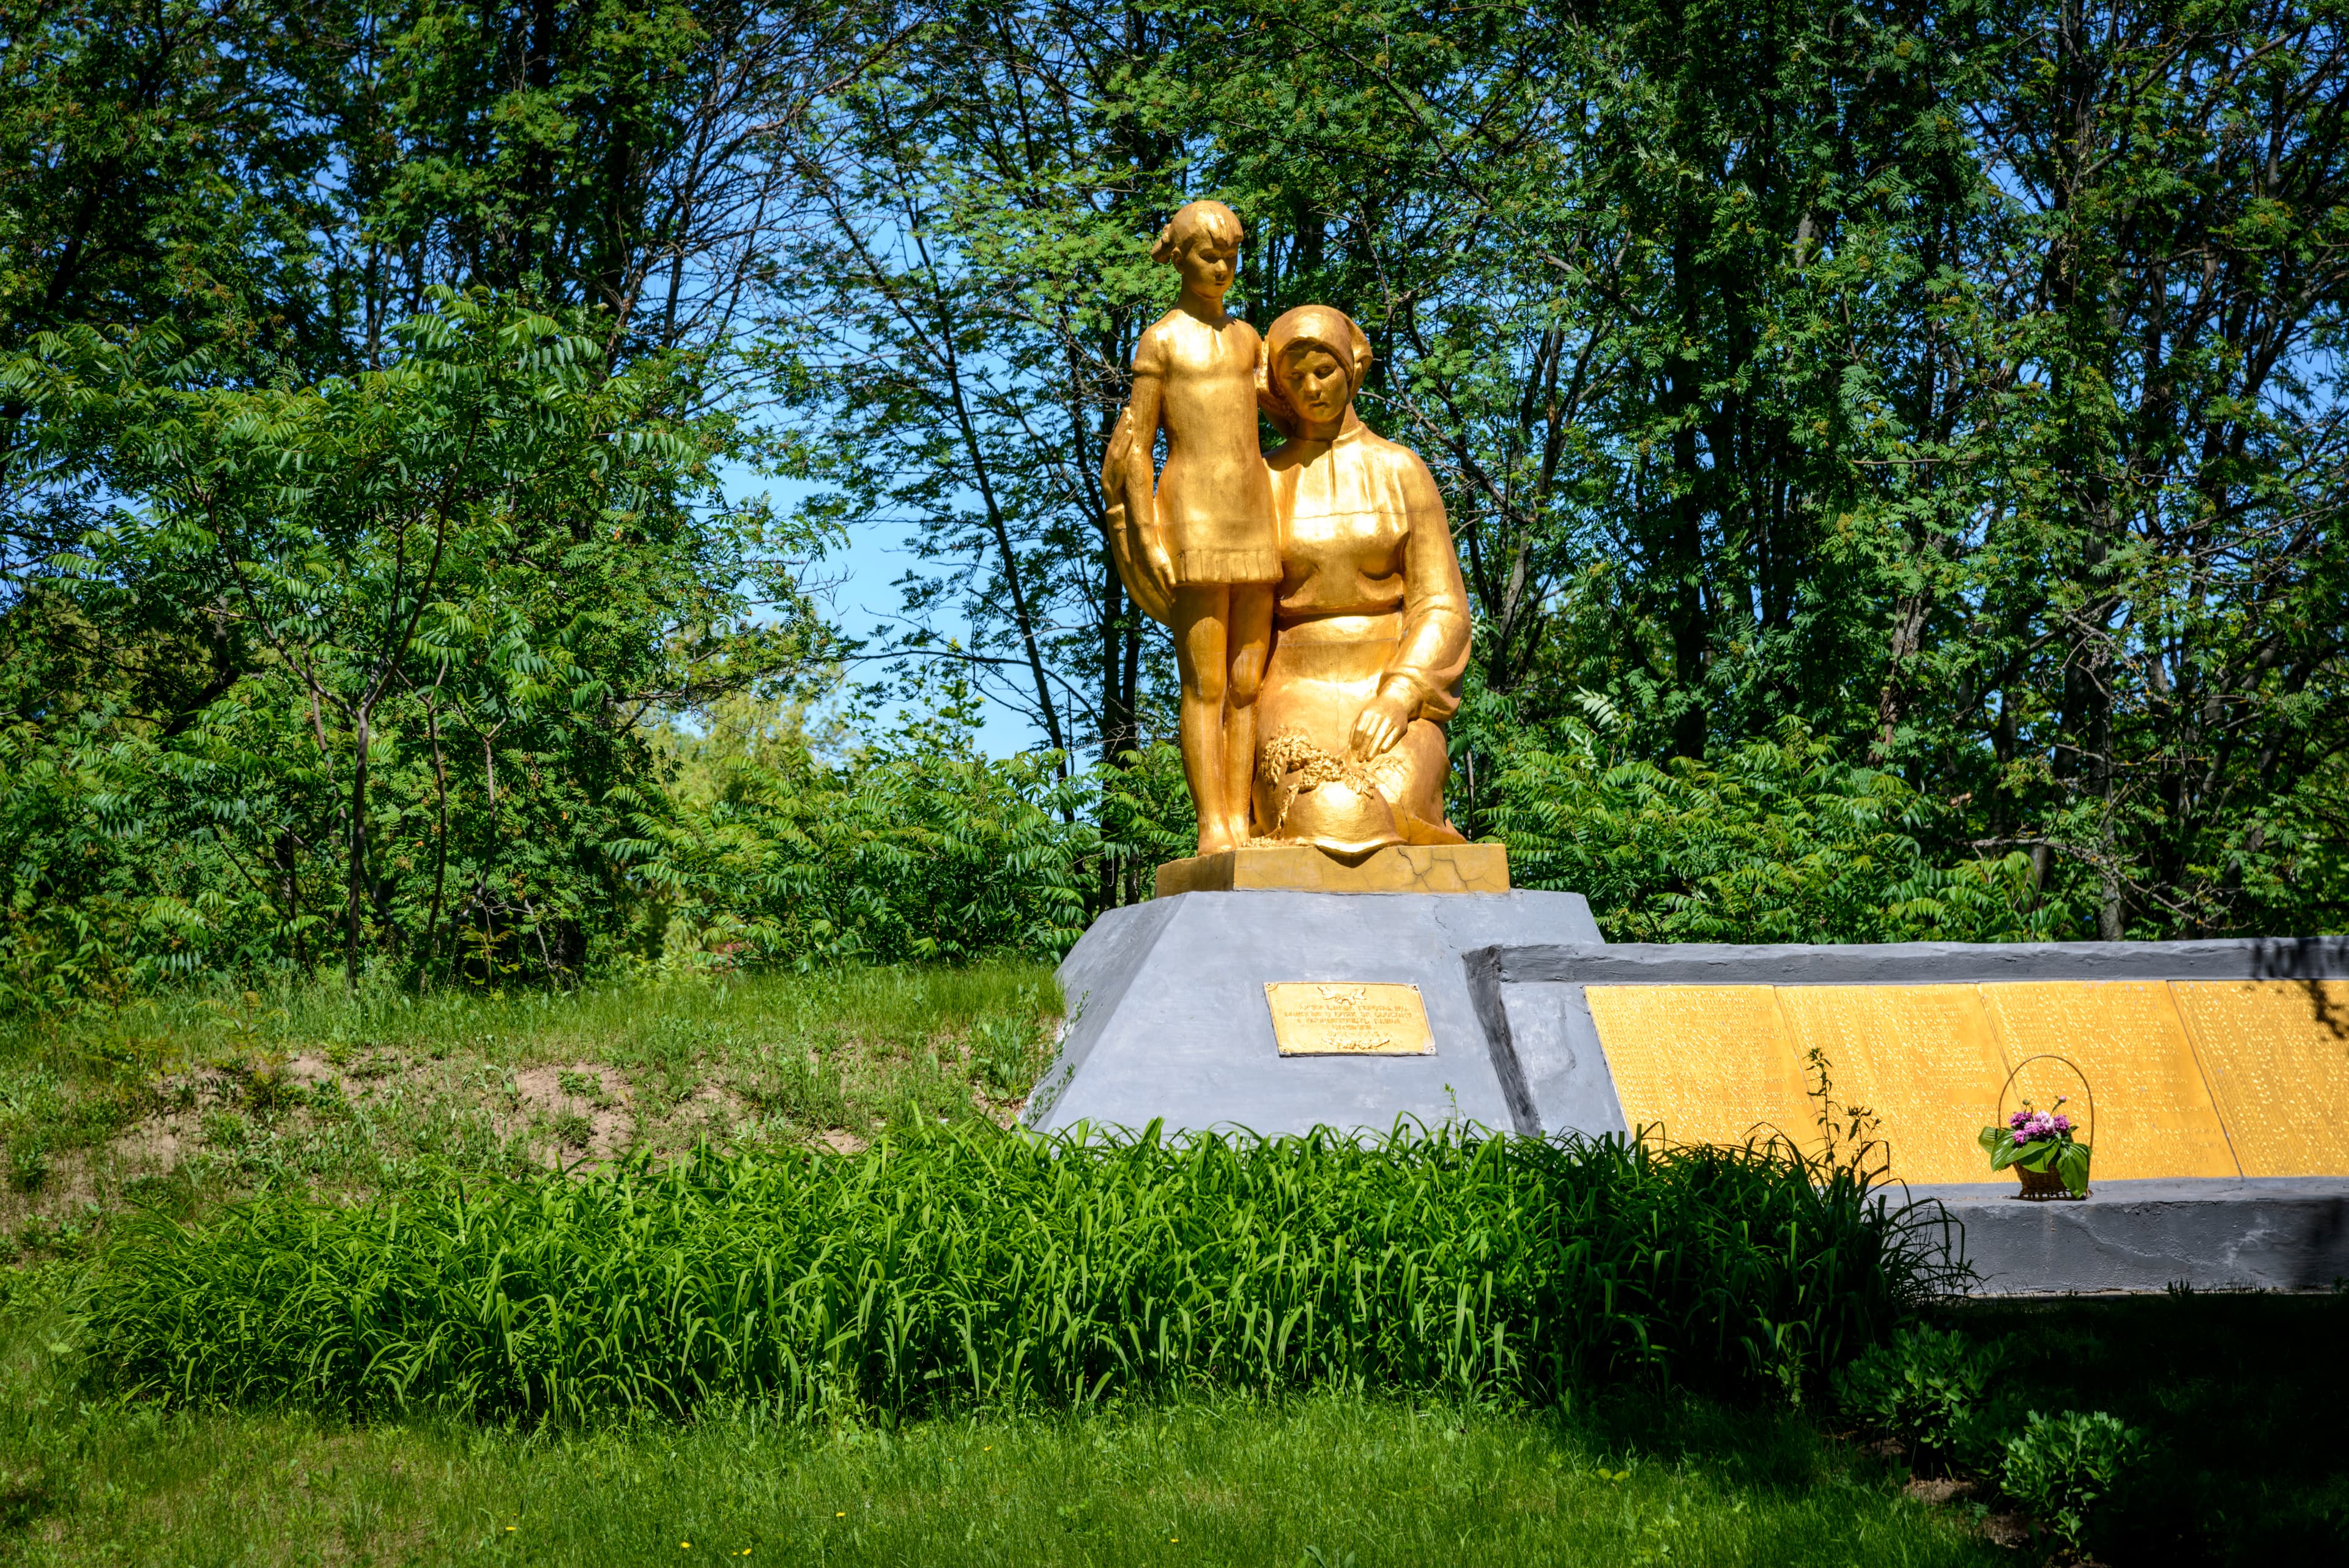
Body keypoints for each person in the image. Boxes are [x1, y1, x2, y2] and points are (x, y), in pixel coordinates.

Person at [1252, 304, 1472, 856]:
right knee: (1327, 809)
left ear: (1350, 369)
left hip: (1388, 690)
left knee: (1392, 801)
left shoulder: (1401, 471)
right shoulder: (1263, 479)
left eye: (1323, 371)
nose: (1312, 388)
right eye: (1295, 377)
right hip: (1294, 691)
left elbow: (1442, 606)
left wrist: (1399, 695)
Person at [1113, 199, 1280, 854]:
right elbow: (1136, 446)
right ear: (1180, 257)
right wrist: (1147, 534)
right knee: (1206, 684)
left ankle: (1244, 818)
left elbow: (1293, 408)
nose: (1222, 268)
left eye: (1231, 256)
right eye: (1210, 255)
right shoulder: (1160, 340)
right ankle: (1213, 823)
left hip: (1254, 514)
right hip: (1192, 517)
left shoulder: (1249, 340)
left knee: (1247, 682)